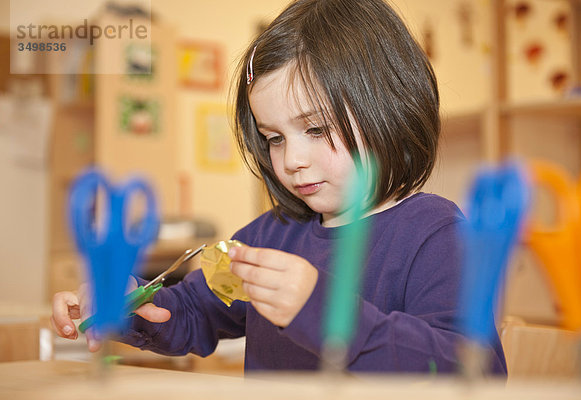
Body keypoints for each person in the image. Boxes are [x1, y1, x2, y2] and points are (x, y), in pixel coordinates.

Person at [52, 0, 507, 375]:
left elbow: (473, 369)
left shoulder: (436, 234)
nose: (292, 160)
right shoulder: (269, 235)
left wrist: (329, 316)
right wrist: (129, 302)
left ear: (386, 106)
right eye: (274, 138)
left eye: (314, 129)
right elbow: (192, 311)